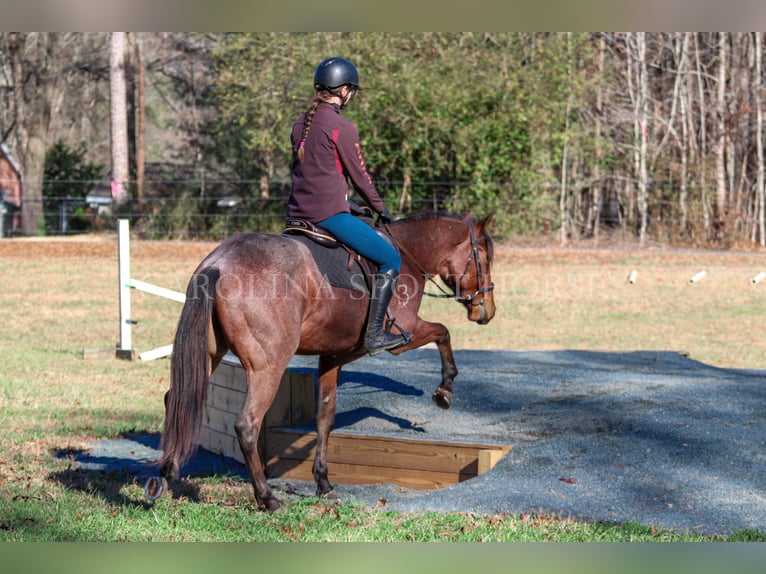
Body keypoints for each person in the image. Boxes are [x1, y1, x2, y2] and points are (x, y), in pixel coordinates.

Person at [287, 56, 408, 355]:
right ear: (343, 91)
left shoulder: (299, 124)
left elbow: (316, 174)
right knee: (391, 260)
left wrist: (351, 204)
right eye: (351, 90)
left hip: (296, 217)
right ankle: (376, 336)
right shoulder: (342, 127)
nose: (351, 95)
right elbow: (361, 177)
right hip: (328, 217)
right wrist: (380, 207)